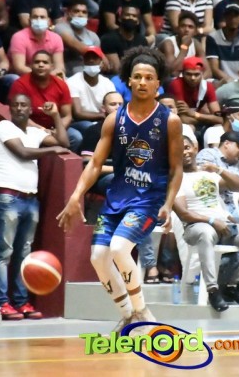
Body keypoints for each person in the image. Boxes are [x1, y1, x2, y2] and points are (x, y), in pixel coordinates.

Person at [57, 47, 184, 334]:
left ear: (157, 83)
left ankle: (142, 311)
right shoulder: (115, 119)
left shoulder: (170, 121)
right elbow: (95, 164)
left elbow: (177, 168)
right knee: (98, 257)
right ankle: (128, 315)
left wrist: (168, 203)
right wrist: (76, 196)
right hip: (117, 198)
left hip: (148, 200)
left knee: (118, 248)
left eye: (148, 77)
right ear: (128, 80)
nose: (142, 82)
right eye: (137, 76)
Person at [0, 93, 68, 320]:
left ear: (30, 109)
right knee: (5, 252)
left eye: (24, 105)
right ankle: (1, 302)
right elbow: (23, 153)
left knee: (24, 254)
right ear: (10, 108)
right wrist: (51, 151)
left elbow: (64, 143)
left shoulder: (35, 133)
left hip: (30, 198)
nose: (19, 108)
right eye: (15, 105)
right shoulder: (4, 127)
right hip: (8, 196)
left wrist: (56, 116)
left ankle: (21, 301)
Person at [173, 131, 239, 312]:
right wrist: (212, 220)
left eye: (186, 148)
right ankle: (213, 290)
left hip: (224, 225)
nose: (184, 152)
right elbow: (184, 214)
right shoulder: (175, 178)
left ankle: (234, 284)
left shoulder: (208, 173)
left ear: (195, 148)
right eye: (178, 150)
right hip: (196, 227)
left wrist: (218, 170)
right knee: (206, 232)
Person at [8, 50, 79, 151]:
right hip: (29, 128)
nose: (41, 65)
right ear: (31, 65)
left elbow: (67, 116)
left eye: (45, 62)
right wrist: (42, 130)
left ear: (52, 66)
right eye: (37, 62)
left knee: (76, 137)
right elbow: (19, 115)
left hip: (55, 127)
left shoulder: (61, 85)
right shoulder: (20, 84)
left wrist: (57, 130)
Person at [68, 47, 116, 135]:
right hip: (81, 122)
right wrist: (101, 115)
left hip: (102, 121)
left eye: (95, 58)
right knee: (91, 128)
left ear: (101, 62)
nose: (91, 60)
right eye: (88, 58)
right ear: (83, 61)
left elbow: (114, 105)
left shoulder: (107, 83)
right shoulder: (72, 81)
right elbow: (77, 113)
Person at [9, 6, 65, 76]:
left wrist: (48, 76)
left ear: (48, 21)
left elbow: (59, 67)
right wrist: (43, 76)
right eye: (35, 17)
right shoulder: (18, 37)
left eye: (42, 17)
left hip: (49, 76)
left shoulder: (56, 38)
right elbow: (19, 68)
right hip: (24, 77)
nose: (39, 20)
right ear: (29, 21)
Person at [55, 0, 101, 75]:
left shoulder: (93, 36)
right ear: (69, 13)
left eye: (84, 12)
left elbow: (98, 61)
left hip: (89, 73)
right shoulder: (60, 27)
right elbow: (75, 44)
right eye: (76, 11)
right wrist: (101, 55)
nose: (80, 15)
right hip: (68, 74)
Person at [158, 11, 209, 77]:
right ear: (177, 29)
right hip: (167, 79)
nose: (186, 29)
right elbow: (171, 72)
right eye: (183, 26)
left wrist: (197, 80)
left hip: (190, 79)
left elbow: (208, 72)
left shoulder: (196, 44)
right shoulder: (168, 43)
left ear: (195, 32)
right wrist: (184, 47)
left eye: (190, 27)